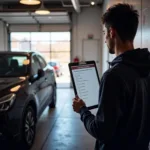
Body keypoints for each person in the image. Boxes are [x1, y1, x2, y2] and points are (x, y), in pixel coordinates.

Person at [72, 3, 150, 150]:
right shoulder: (146, 67)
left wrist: (82, 110)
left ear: (112, 32)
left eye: (104, 33)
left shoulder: (113, 76)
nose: (105, 39)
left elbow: (101, 131)